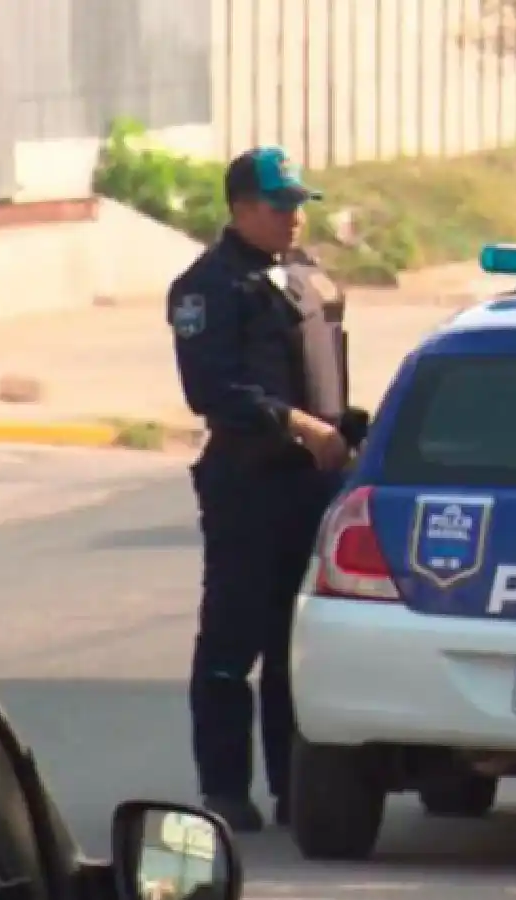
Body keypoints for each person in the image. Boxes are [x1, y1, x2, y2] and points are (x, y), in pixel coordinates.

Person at [167, 146, 348, 833]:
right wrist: (299, 426)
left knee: (292, 645)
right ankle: (224, 789)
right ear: (242, 209)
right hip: (249, 483)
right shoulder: (209, 287)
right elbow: (213, 392)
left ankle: (291, 786)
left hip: (314, 484)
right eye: (281, 206)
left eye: (301, 203)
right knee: (232, 641)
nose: (295, 217)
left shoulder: (304, 274)